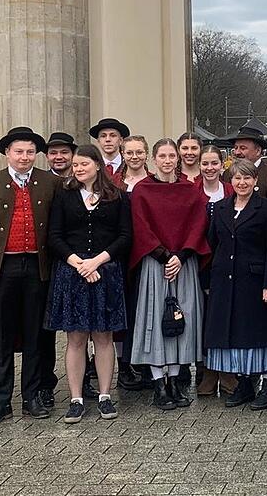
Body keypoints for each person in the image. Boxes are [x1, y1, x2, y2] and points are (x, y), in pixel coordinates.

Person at [0, 127, 61, 426]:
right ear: (7, 153)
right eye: (19, 151)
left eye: (30, 152)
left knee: (35, 335)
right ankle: (1, 400)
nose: (24, 157)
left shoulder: (50, 182)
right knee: (3, 337)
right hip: (3, 268)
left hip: (37, 266)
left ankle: (31, 397)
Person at [46, 144, 131, 423]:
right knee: (76, 337)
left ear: (97, 165)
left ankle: (105, 395)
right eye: (76, 165)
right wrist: (79, 263)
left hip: (105, 272)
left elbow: (124, 236)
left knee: (104, 337)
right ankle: (76, 398)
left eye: (84, 164)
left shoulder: (116, 196)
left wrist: (96, 262)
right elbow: (54, 236)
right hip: (72, 273)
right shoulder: (64, 195)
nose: (79, 169)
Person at [129, 138, 210, 410]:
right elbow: (140, 227)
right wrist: (164, 256)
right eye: (162, 156)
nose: (167, 161)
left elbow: (199, 224)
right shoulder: (142, 190)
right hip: (156, 263)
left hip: (183, 263)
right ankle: (158, 385)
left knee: (182, 319)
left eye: (171, 156)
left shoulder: (190, 190)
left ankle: (175, 381)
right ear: (154, 159)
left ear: (178, 159)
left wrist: (181, 256)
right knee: (155, 319)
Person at [205, 160, 267, 409]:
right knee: (235, 333)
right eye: (238, 178)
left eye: (247, 178)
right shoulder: (221, 207)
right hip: (226, 282)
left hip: (256, 281)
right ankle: (244, 384)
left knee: (261, 333)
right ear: (231, 180)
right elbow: (213, 243)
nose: (242, 183)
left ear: (255, 180)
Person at [193, 146, 236, 397]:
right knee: (203, 319)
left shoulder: (231, 190)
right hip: (198, 262)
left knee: (226, 318)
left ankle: (228, 372)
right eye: (205, 163)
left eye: (214, 163)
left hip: (227, 262)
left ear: (222, 165)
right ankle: (206, 370)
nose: (209, 168)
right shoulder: (192, 192)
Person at [114, 134, 151, 393]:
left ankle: (147, 362)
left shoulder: (155, 182)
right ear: (123, 154)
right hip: (119, 255)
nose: (134, 157)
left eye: (139, 152)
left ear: (146, 154)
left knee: (145, 308)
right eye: (130, 152)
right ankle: (124, 365)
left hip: (146, 252)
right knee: (121, 309)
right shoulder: (113, 184)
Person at [90, 117, 131, 188]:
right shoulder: (92, 167)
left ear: (121, 140)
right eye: (103, 136)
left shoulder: (130, 165)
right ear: (98, 141)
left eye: (113, 135)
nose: (108, 139)